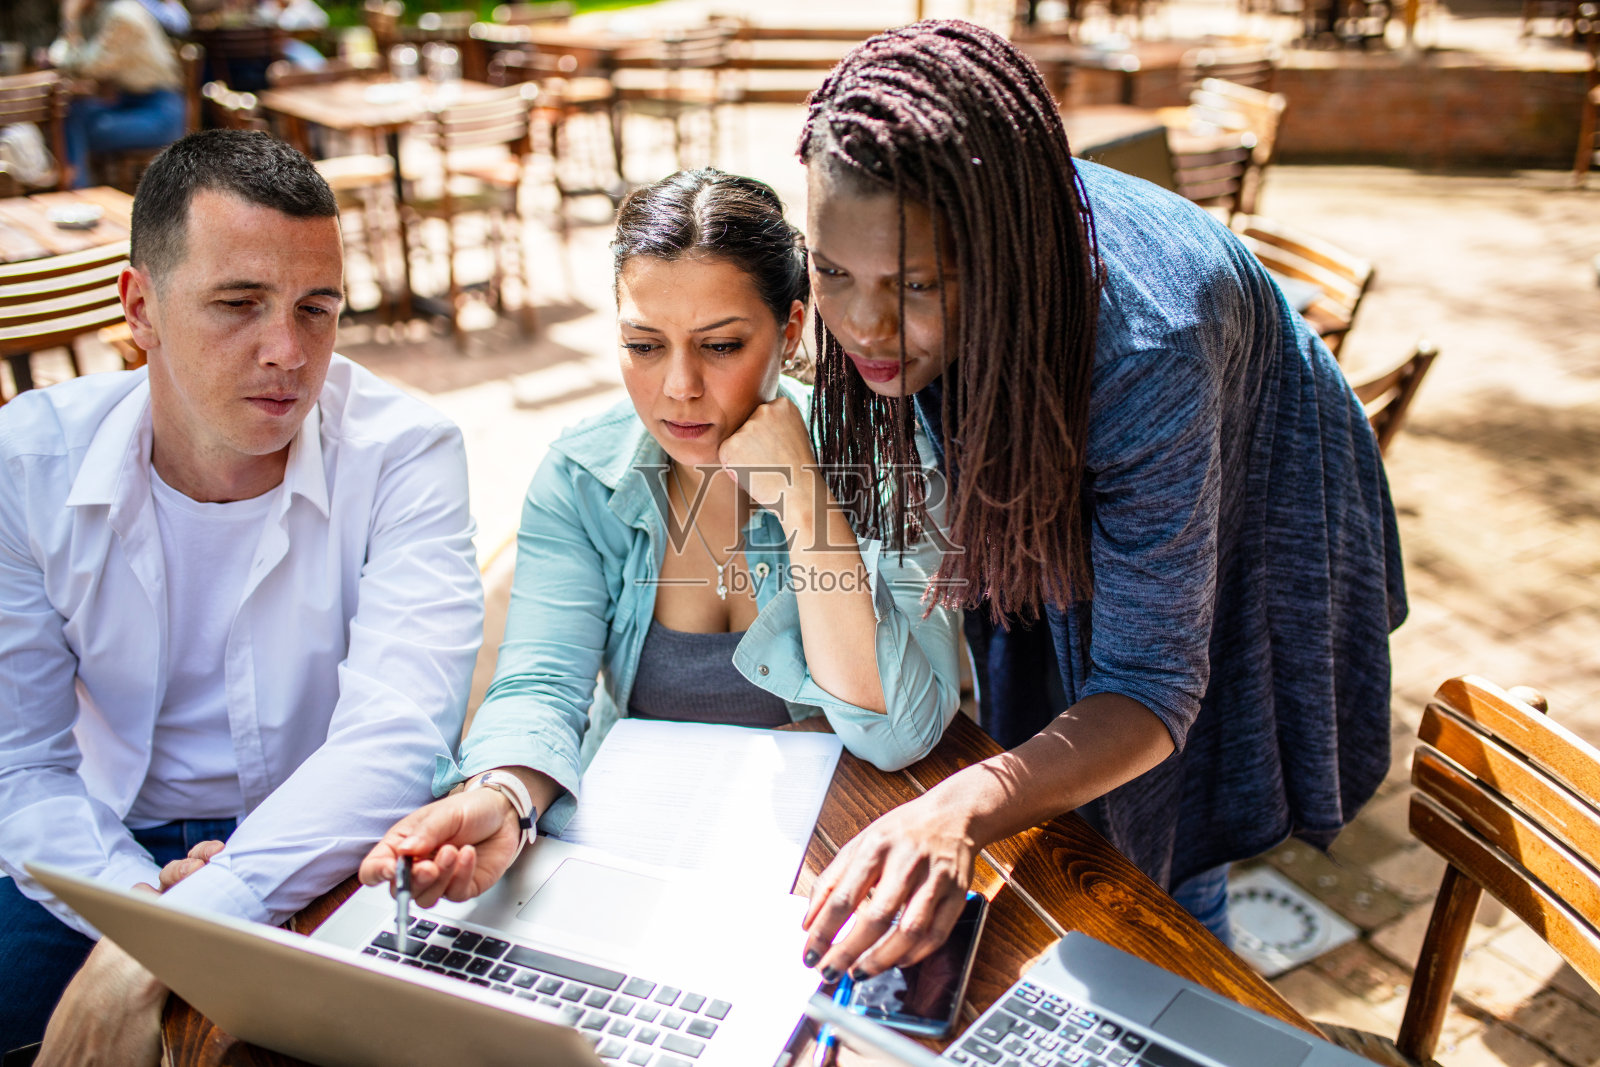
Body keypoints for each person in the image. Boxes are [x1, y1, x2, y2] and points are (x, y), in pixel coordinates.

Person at [794, 21, 1407, 981]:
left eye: (914, 284)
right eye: (834, 273)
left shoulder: (1145, 346)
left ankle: (1191, 984)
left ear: (998, 257)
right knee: (1050, 745)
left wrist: (957, 808)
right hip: (1101, 470)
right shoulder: (974, 256)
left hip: (1252, 515)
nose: (866, 325)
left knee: (1163, 824)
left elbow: (1153, 686)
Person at [0, 129, 484, 1062]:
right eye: (239, 304)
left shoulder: (405, 452)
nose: (288, 352)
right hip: (93, 842)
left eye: (317, 308)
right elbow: (21, 764)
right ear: (138, 306)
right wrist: (144, 916)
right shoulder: (28, 462)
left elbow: (397, 738)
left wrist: (179, 933)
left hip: (324, 831)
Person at [356, 168, 961, 907]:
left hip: (842, 859)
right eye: (644, 345)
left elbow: (900, 732)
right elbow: (541, 681)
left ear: (793, 328)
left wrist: (805, 496)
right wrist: (506, 793)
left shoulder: (882, 458)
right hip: (648, 850)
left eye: (721, 346)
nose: (678, 386)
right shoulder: (584, 476)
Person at [50, 0, 186, 188]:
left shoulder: (123, 16)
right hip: (132, 106)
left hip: (159, 116)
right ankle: (76, 186)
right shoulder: (110, 12)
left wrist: (70, 21)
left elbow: (89, 66)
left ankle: (75, 190)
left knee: (70, 127)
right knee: (74, 113)